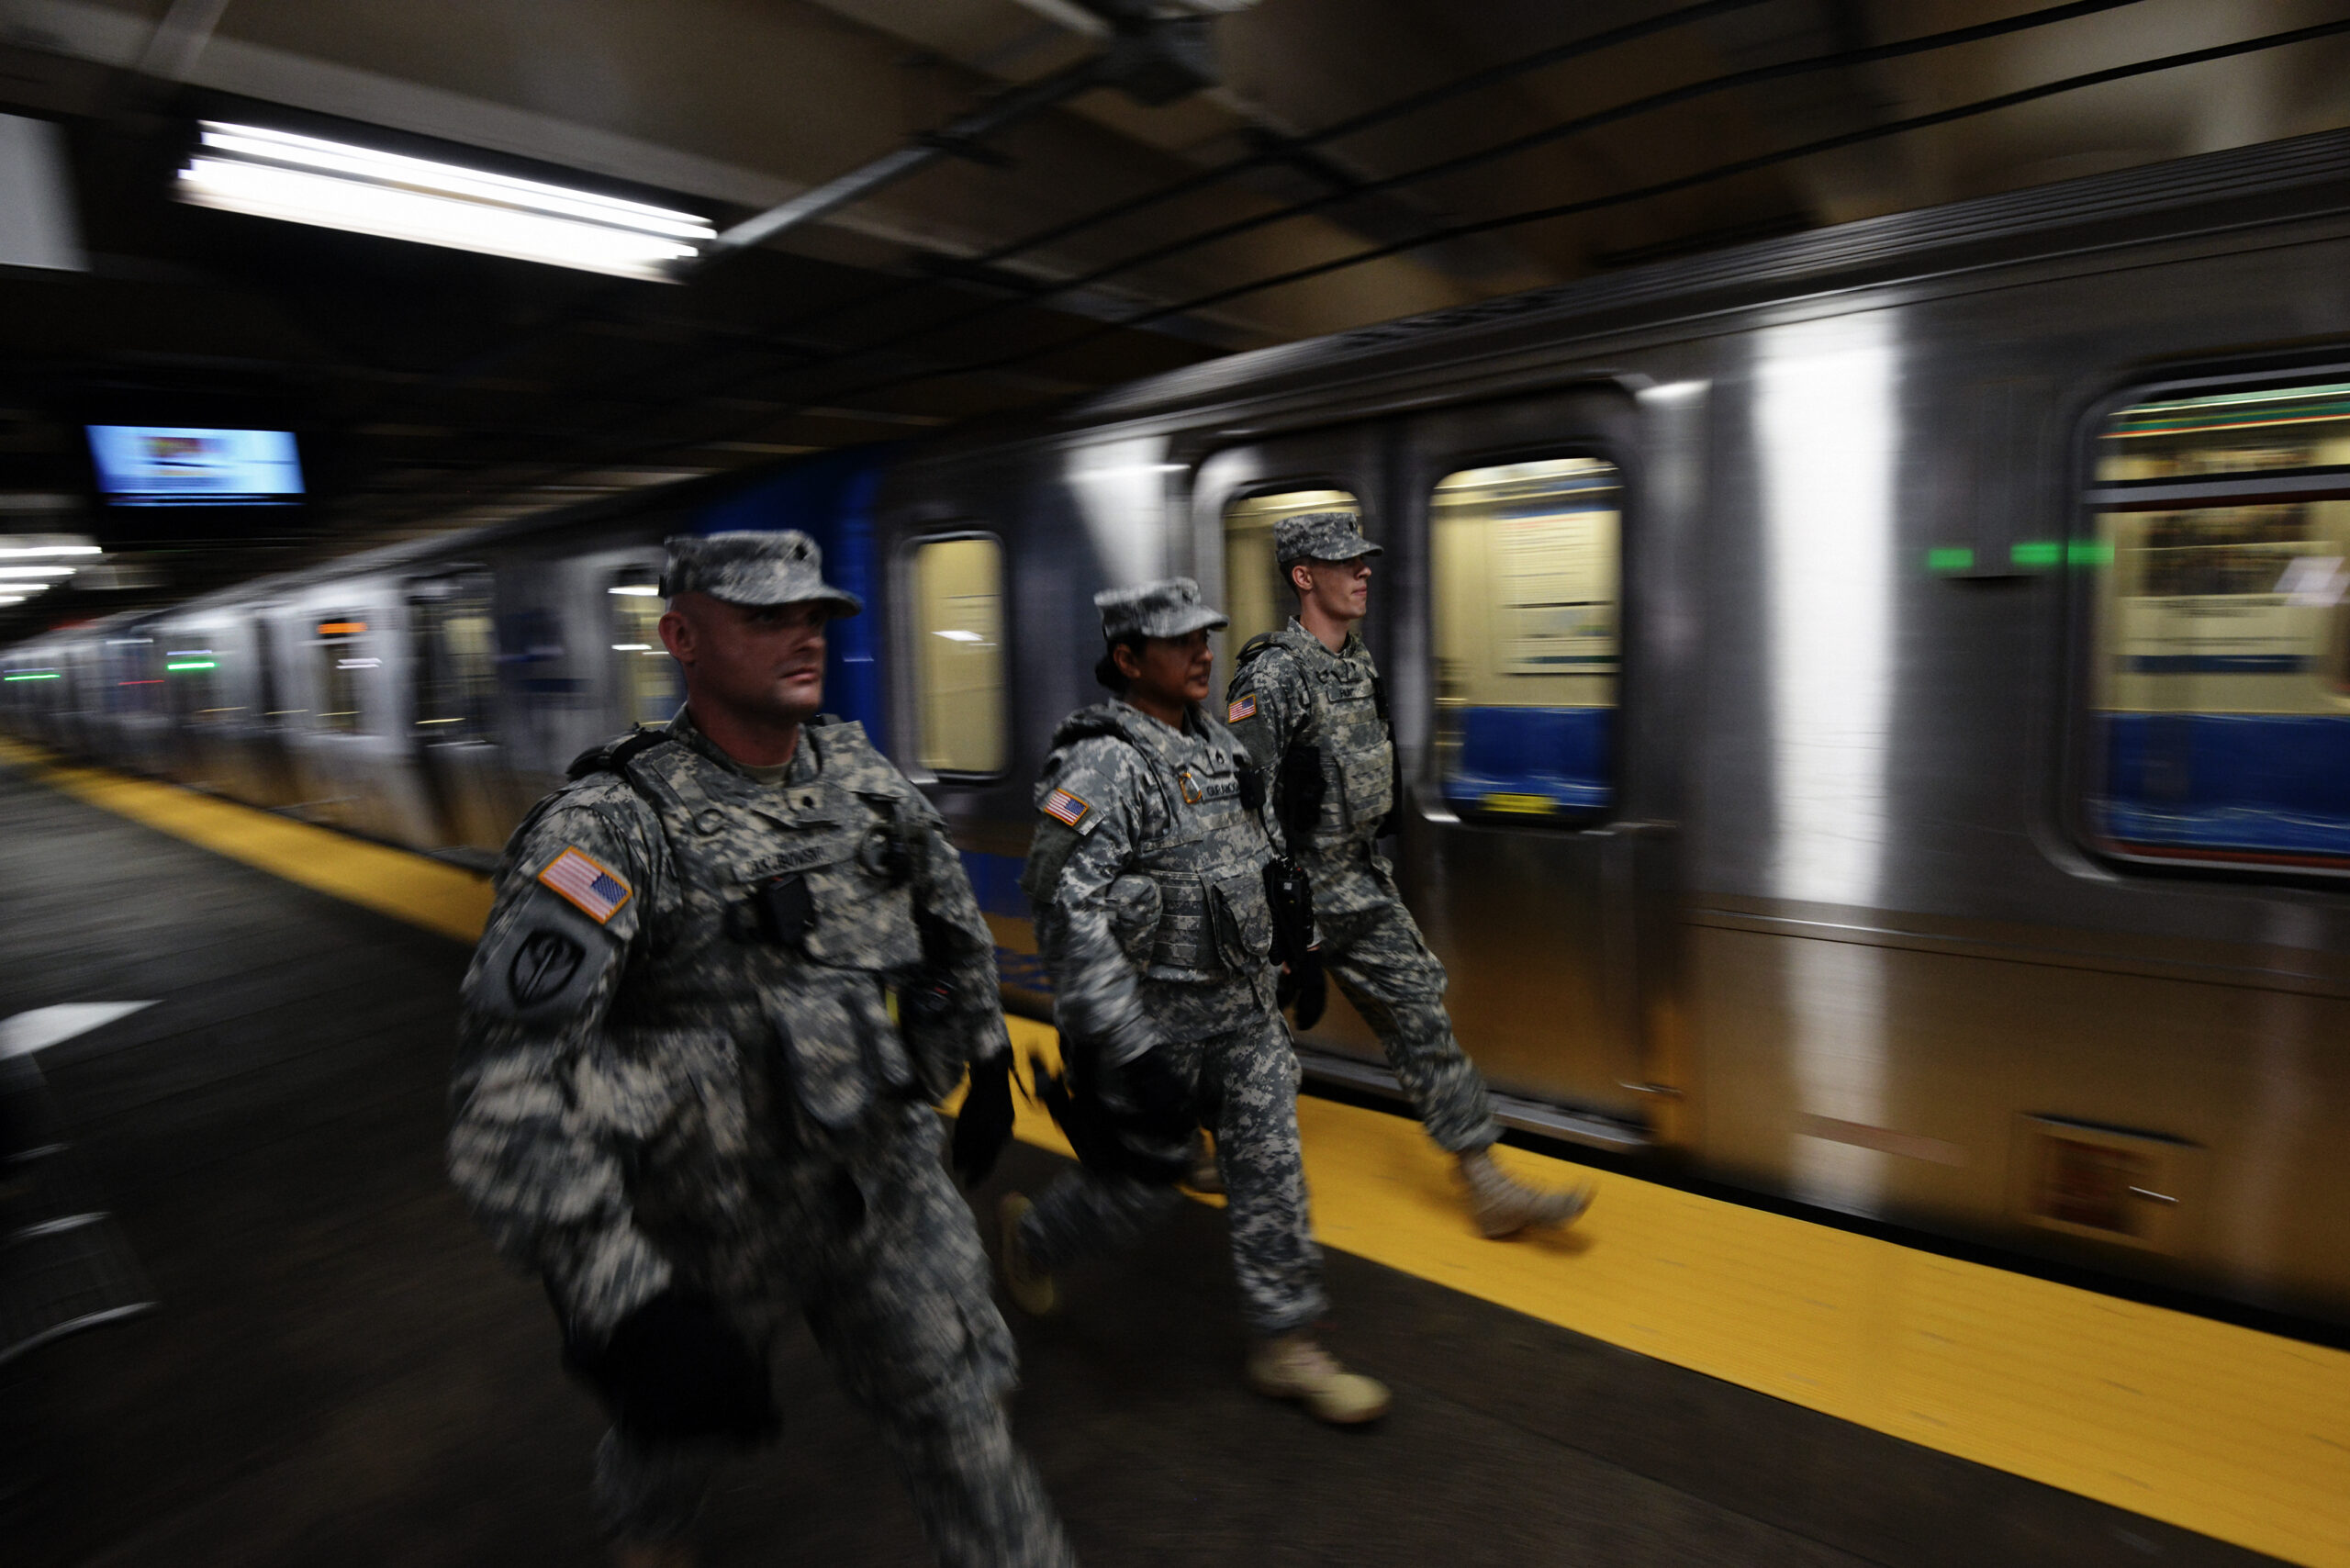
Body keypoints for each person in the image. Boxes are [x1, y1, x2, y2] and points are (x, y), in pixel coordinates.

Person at [447, 531, 1068, 1568]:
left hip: (885, 1194)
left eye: (812, 614)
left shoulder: (861, 779)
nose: (803, 635)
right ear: (681, 636)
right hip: (712, 1226)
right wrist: (621, 1299)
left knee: (963, 1420)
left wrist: (985, 1050)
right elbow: (508, 1092)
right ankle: (646, 1531)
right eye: (764, 616)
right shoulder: (611, 828)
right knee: (674, 1432)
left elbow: (947, 916)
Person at [998, 577, 1389, 1427]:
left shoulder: (1219, 745)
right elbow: (1068, 912)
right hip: (1153, 1026)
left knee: (1272, 1169)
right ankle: (1036, 1237)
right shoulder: (1104, 762)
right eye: (1180, 642)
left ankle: (1288, 1344)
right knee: (1141, 1184)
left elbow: (1266, 857)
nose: (1203, 652)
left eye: (1205, 636)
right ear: (1130, 658)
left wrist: (1299, 949)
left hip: (1243, 1013)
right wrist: (1129, 1052)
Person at [1224, 511, 1595, 1239]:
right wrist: (1277, 921)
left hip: (1357, 883)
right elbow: (1243, 808)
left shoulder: (1356, 663)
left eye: (1365, 560)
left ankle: (1484, 1181)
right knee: (1234, 1041)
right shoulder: (1272, 677)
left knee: (1421, 1014)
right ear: (1304, 578)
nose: (1363, 572)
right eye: (1345, 563)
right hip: (1287, 895)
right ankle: (1174, 1137)